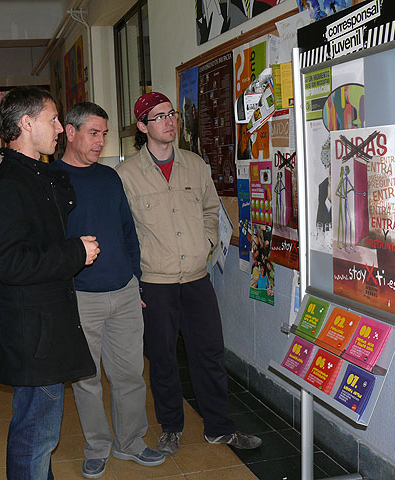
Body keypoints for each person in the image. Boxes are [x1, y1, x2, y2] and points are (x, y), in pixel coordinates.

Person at [116, 91, 262, 455]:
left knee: (209, 354)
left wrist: (207, 241)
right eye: (159, 117)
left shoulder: (195, 165)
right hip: (155, 283)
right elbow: (122, 232)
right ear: (142, 127)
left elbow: (212, 209)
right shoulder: (126, 175)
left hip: (197, 279)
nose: (169, 121)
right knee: (163, 359)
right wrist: (133, 281)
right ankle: (171, 427)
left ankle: (219, 427)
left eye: (172, 114)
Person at [0, 87, 100, 479]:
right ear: (27, 124)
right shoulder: (10, 184)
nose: (60, 128)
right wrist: (75, 253)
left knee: (38, 431)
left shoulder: (34, 175)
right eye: (53, 119)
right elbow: (9, 262)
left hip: (41, 327)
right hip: (32, 334)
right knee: (36, 434)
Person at [50, 102, 165, 478]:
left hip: (124, 292)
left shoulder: (110, 177)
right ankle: (97, 446)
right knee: (87, 379)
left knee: (130, 374)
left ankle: (130, 442)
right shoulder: (51, 180)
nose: (100, 141)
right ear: (70, 132)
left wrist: (135, 279)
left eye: (104, 134)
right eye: (93, 133)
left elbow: (127, 231)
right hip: (81, 297)